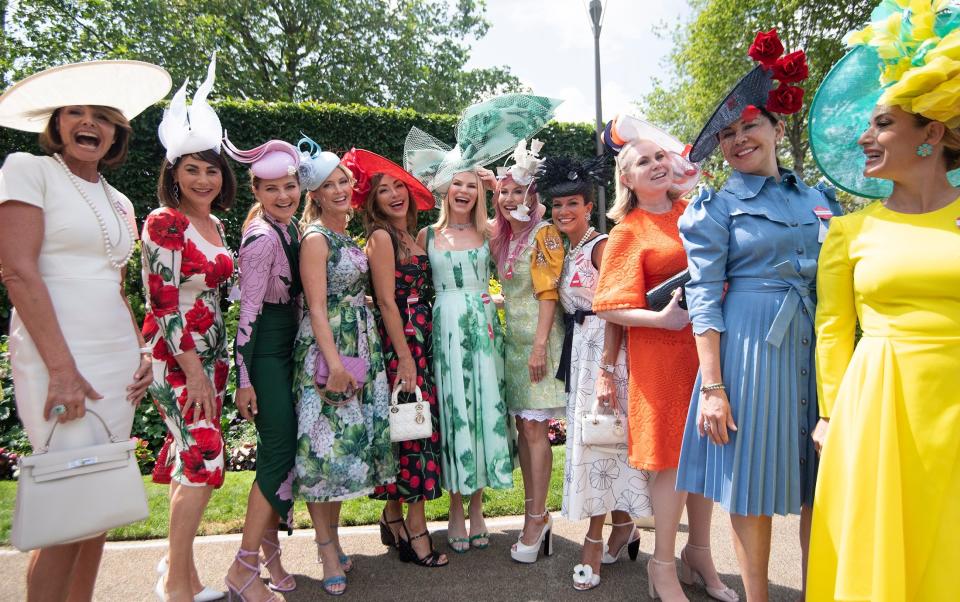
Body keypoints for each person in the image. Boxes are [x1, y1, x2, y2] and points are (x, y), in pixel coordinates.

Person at [673, 31, 841, 601]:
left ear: (776, 128)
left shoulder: (821, 199)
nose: (739, 139)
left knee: (824, 483)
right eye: (727, 133)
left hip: (818, 348)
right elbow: (703, 297)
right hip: (749, 356)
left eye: (750, 126)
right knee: (754, 488)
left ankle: (819, 591)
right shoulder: (714, 207)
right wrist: (714, 387)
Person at [805, 4, 960, 599]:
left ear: (932, 134)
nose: (865, 138)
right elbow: (833, 329)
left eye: (884, 124)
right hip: (878, 406)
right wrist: (828, 414)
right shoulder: (849, 232)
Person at [0, 60, 170, 602]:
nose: (88, 123)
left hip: (115, 361)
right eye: (76, 112)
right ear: (57, 122)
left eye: (102, 115)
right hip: (57, 360)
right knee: (67, 512)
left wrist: (141, 348)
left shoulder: (119, 201)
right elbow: (18, 272)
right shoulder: (27, 169)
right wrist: (62, 370)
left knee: (100, 504)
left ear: (118, 130)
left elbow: (116, 287)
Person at [403, 93, 561, 554]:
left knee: (482, 414)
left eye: (472, 185)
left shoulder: (490, 232)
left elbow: (531, 219)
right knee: (454, 417)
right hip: (444, 333)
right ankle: (455, 508)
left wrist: (501, 189)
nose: (464, 191)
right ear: (445, 189)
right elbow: (406, 285)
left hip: (484, 332)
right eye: (458, 184)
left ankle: (477, 510)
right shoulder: (426, 235)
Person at [592, 116, 735, 602]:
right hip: (661, 356)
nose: (654, 165)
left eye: (659, 157)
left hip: (706, 351)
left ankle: (701, 552)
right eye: (641, 161)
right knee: (672, 461)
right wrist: (661, 322)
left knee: (707, 453)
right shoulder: (626, 232)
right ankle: (662, 565)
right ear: (625, 180)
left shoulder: (692, 213)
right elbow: (610, 304)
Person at [536, 153, 653, 591]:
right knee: (605, 442)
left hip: (607, 354)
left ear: (589, 206)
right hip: (582, 351)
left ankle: (592, 542)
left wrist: (606, 370)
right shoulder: (570, 249)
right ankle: (625, 528)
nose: (564, 211)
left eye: (573, 204)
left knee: (599, 446)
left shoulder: (602, 246)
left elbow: (619, 309)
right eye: (558, 205)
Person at [144, 60, 237, 602]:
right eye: (192, 170)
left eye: (212, 170)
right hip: (179, 358)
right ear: (173, 173)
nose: (204, 179)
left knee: (191, 457)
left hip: (212, 355)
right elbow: (162, 305)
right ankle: (179, 583)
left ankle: (172, 564)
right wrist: (195, 374)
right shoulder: (163, 222)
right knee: (203, 455)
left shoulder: (216, 225)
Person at [293, 144, 397, 595]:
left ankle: (333, 541)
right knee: (323, 454)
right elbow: (316, 307)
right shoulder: (316, 238)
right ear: (313, 194)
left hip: (357, 344)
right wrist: (333, 364)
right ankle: (325, 549)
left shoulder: (344, 237)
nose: (339, 189)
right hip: (329, 351)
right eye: (327, 184)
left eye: (342, 181)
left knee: (340, 453)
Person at [344, 148, 448, 568]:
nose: (394, 194)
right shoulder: (382, 237)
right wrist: (405, 359)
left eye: (398, 186)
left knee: (407, 427)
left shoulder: (412, 237)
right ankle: (417, 531)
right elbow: (386, 301)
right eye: (383, 190)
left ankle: (392, 517)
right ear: (374, 202)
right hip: (401, 341)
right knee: (415, 432)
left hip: (420, 337)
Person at [223, 135, 306, 600]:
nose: (282, 195)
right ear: (256, 190)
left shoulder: (289, 229)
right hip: (264, 358)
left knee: (281, 453)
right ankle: (243, 566)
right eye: (271, 188)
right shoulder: (261, 238)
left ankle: (268, 555)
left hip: (283, 354)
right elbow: (247, 315)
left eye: (289, 186)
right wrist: (245, 380)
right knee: (277, 452)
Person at [489, 141, 566, 564]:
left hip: (539, 344)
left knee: (535, 432)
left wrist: (539, 347)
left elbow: (548, 296)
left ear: (533, 195)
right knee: (524, 430)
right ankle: (535, 514)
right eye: (503, 192)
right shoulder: (506, 237)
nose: (509, 199)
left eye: (518, 191)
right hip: (513, 345)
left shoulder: (545, 233)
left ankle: (536, 519)